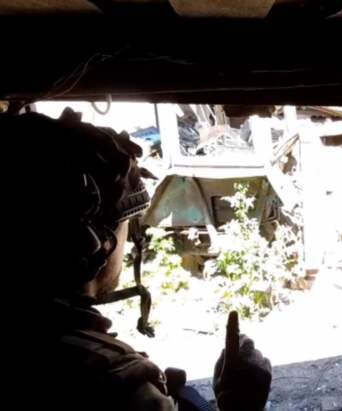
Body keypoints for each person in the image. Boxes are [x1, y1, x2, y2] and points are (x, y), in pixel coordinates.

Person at [2, 108, 271, 411]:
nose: (129, 243)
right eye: (125, 225)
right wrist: (239, 404)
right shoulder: (112, 384)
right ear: (94, 242)